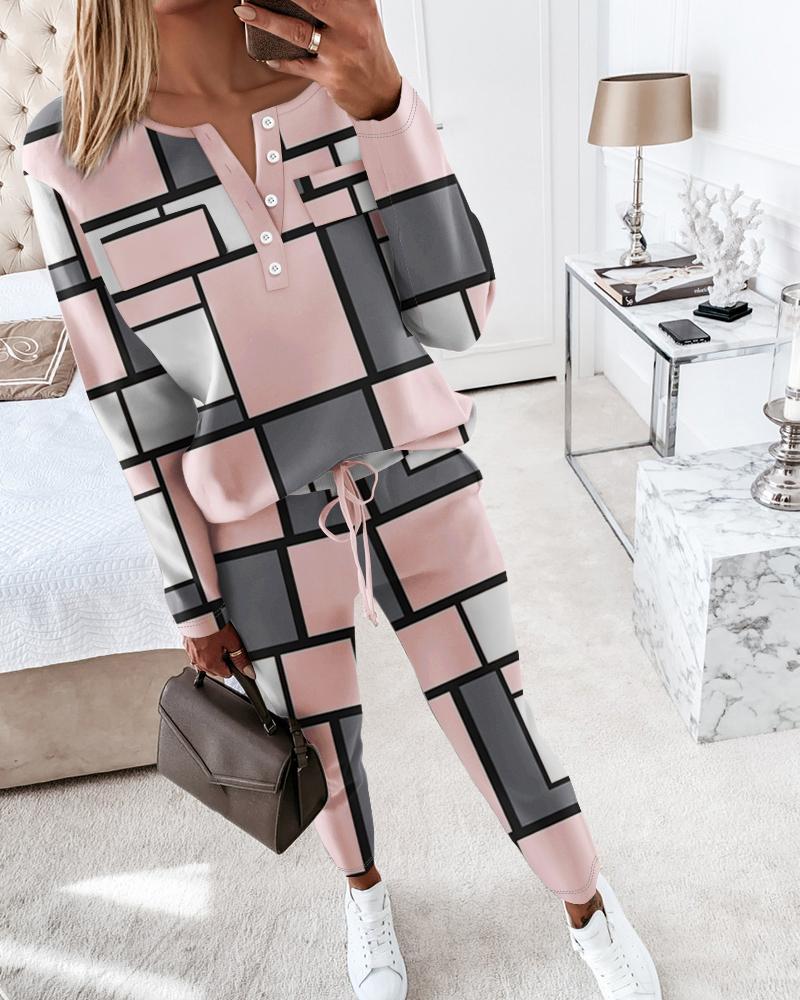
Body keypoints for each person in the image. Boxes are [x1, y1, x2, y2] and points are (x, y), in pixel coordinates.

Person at [22, 1, 662, 997]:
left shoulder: (334, 68)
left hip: (413, 463)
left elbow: (456, 313)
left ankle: (585, 900)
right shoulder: (71, 149)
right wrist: (191, 596)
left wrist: (388, 106)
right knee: (316, 741)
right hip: (253, 518)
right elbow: (132, 406)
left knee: (495, 702)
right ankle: (363, 894)